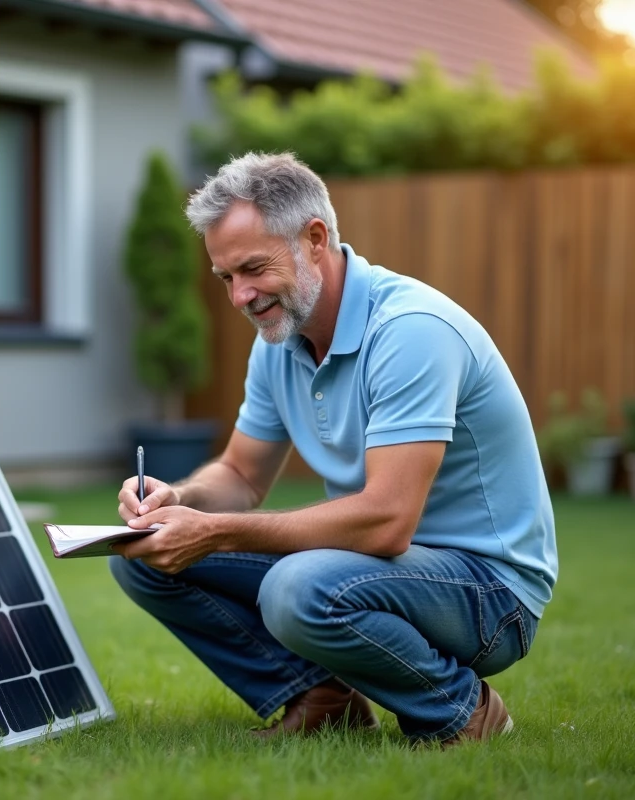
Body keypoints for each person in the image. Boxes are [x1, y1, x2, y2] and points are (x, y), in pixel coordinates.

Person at [110, 152, 557, 747]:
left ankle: (462, 710)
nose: (240, 297)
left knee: (297, 589)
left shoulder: (410, 331)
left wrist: (214, 531)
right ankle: (322, 700)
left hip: (489, 592)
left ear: (314, 238)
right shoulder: (280, 339)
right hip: (381, 569)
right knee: (141, 553)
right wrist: (179, 500)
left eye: (252, 269)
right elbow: (241, 474)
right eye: (225, 279)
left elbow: (386, 522)